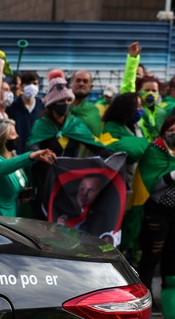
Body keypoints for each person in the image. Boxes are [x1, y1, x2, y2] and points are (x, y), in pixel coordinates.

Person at [27, 78, 113, 218]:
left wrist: (114, 156)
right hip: (44, 183)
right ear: (52, 104)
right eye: (62, 101)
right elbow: (33, 145)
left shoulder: (75, 124)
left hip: (67, 184)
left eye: (68, 101)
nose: (66, 104)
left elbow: (94, 146)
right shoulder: (42, 124)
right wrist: (39, 154)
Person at [135, 116, 175, 294]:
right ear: (163, 131)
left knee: (173, 256)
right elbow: (147, 183)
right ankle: (144, 297)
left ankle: (169, 297)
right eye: (171, 130)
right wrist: (170, 177)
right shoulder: (154, 151)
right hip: (158, 212)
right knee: (152, 254)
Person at [0, 119, 55, 216]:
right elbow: (1, 167)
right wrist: (30, 156)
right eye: (13, 133)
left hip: (10, 219)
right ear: (1, 138)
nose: (17, 136)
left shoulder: (14, 158)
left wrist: (20, 194)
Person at [6, 71, 45, 155]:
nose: (31, 86)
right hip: (18, 154)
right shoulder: (12, 107)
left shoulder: (42, 107)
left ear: (38, 86)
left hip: (37, 154)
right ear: (21, 86)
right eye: (27, 83)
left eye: (34, 83)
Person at [70, 70, 102, 136]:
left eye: (85, 81)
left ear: (91, 87)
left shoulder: (93, 110)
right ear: (71, 84)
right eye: (78, 80)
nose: (81, 84)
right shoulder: (61, 106)